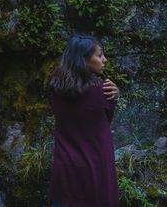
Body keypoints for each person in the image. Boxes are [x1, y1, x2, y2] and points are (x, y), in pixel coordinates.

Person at [47, 34, 120, 207]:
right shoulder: (103, 91)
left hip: (65, 169)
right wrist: (115, 96)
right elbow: (105, 119)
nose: (105, 59)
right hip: (96, 170)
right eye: (99, 55)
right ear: (84, 60)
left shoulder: (55, 89)